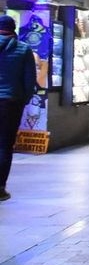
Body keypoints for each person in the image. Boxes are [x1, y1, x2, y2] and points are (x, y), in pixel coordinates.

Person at [0, 14, 37, 202]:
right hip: (11, 102)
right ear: (13, 29)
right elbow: (30, 81)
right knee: (5, 145)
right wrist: (23, 99)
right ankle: (0, 187)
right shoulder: (23, 50)